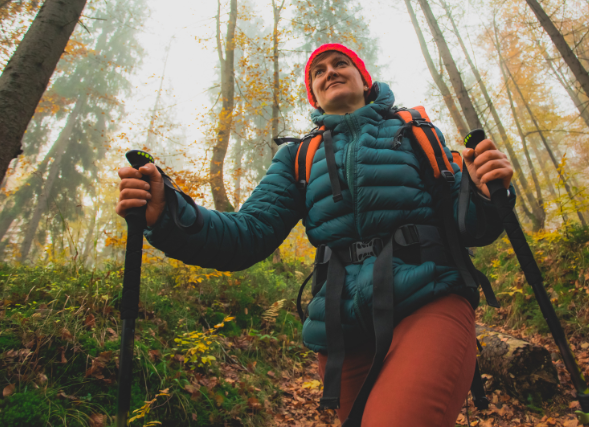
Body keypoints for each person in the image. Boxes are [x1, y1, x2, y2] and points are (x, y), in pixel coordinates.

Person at [116, 43, 514, 427]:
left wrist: (487, 191)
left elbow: (472, 227)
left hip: (428, 300)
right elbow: (248, 234)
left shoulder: (416, 132)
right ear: (314, 96)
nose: (329, 73)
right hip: (341, 327)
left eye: (340, 64)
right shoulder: (297, 156)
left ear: (364, 78)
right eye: (318, 72)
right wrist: (168, 211)